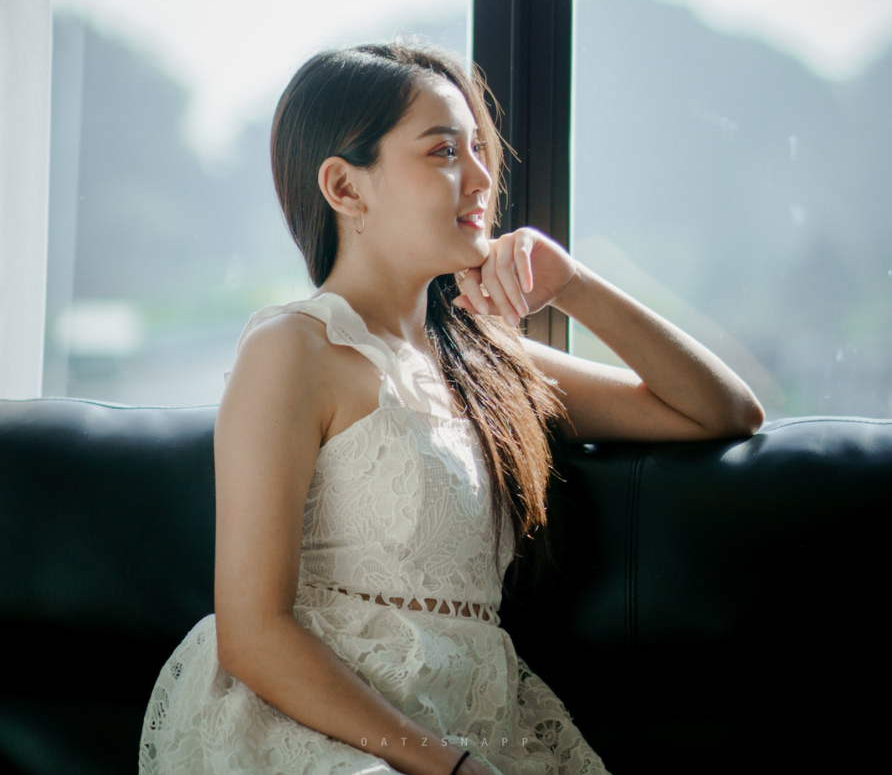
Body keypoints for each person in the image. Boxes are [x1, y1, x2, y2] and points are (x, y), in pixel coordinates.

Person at [139, 42, 764, 774]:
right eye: (442, 152)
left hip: (481, 725)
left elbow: (721, 411)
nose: (480, 176)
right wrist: (449, 768)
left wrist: (572, 283)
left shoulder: (487, 364)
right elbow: (253, 631)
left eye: (477, 147)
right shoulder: (294, 349)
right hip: (318, 733)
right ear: (345, 187)